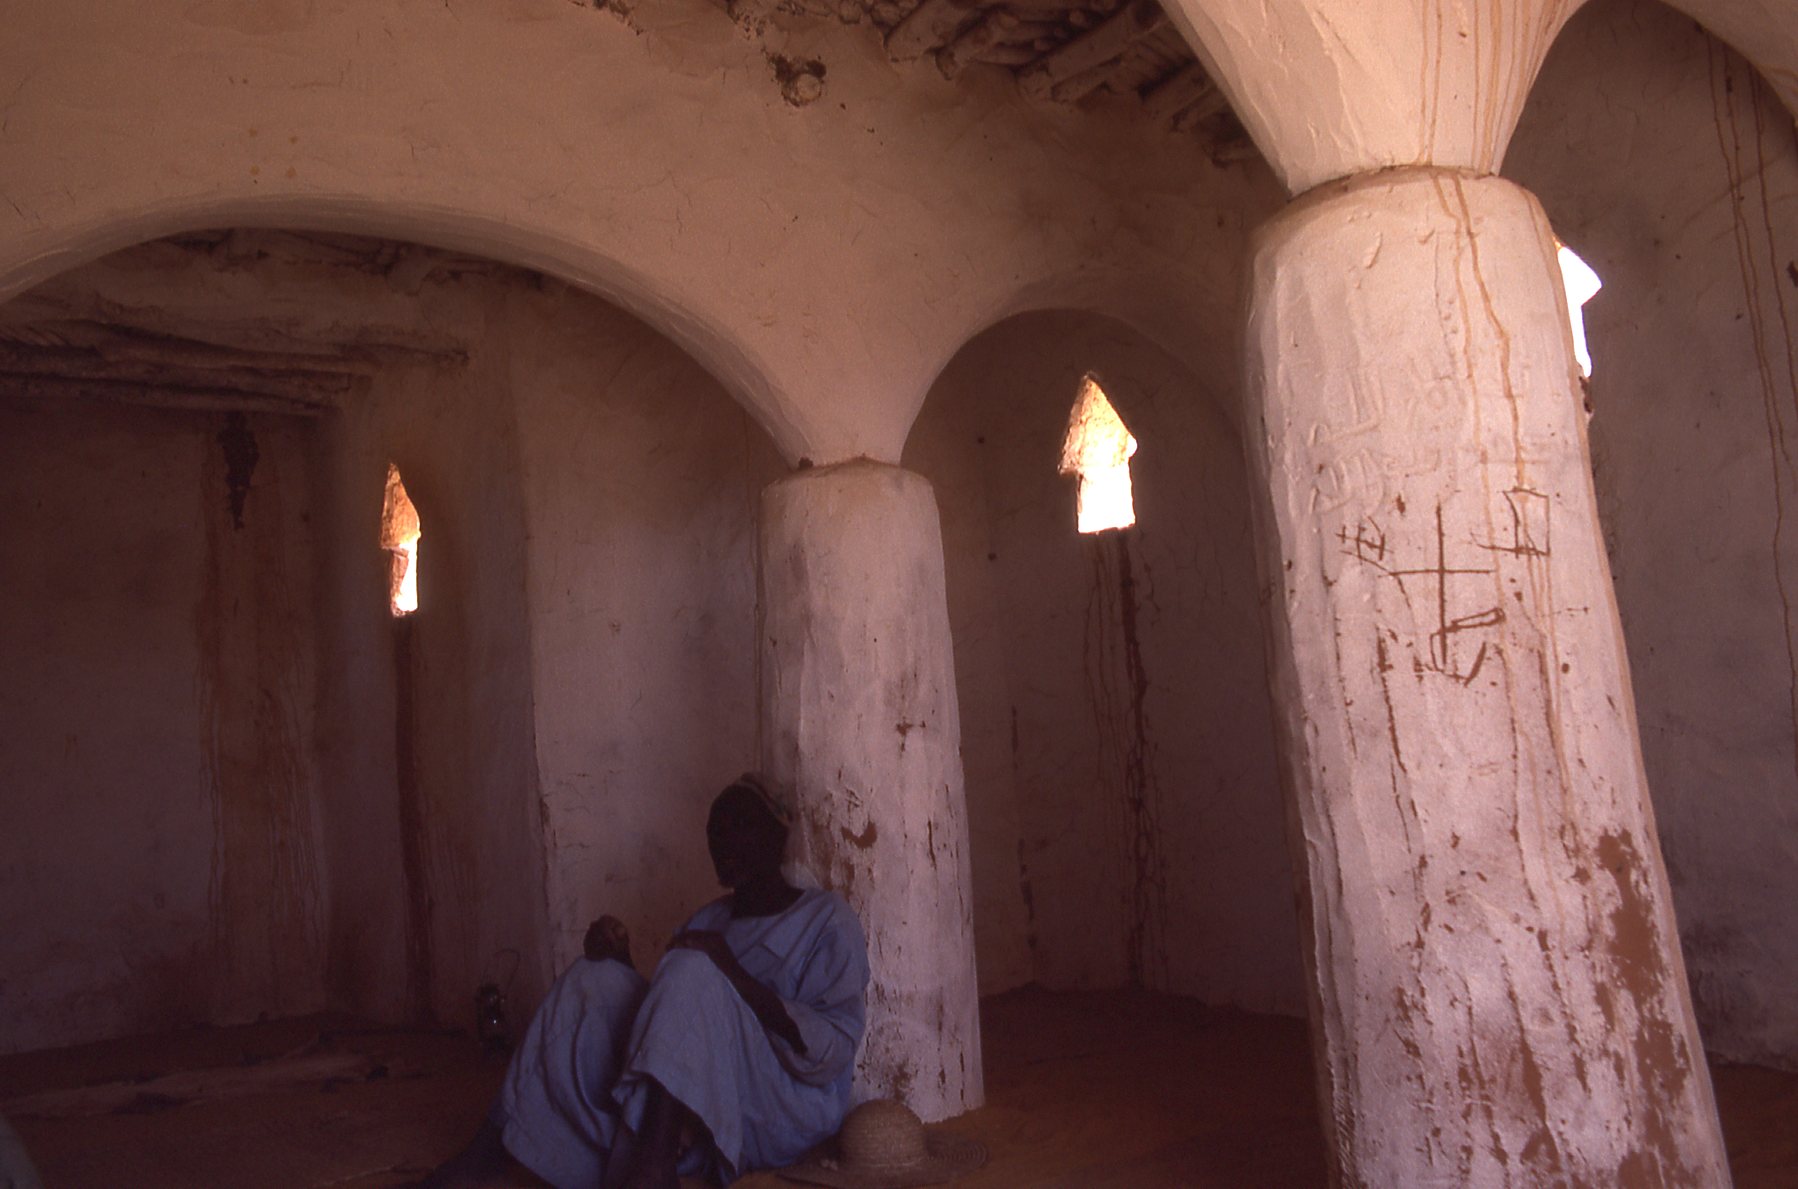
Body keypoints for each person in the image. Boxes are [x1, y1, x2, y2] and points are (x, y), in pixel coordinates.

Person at [422, 774, 869, 1189]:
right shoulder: (709, 920)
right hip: (704, 1112)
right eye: (715, 831)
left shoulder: (826, 920)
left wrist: (731, 973)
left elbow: (829, 1054)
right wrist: (621, 963)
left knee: (694, 967)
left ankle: (652, 1168)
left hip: (783, 1110)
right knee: (593, 979)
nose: (725, 841)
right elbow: (675, 1028)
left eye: (741, 826)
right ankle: (490, 1148)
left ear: (778, 835)